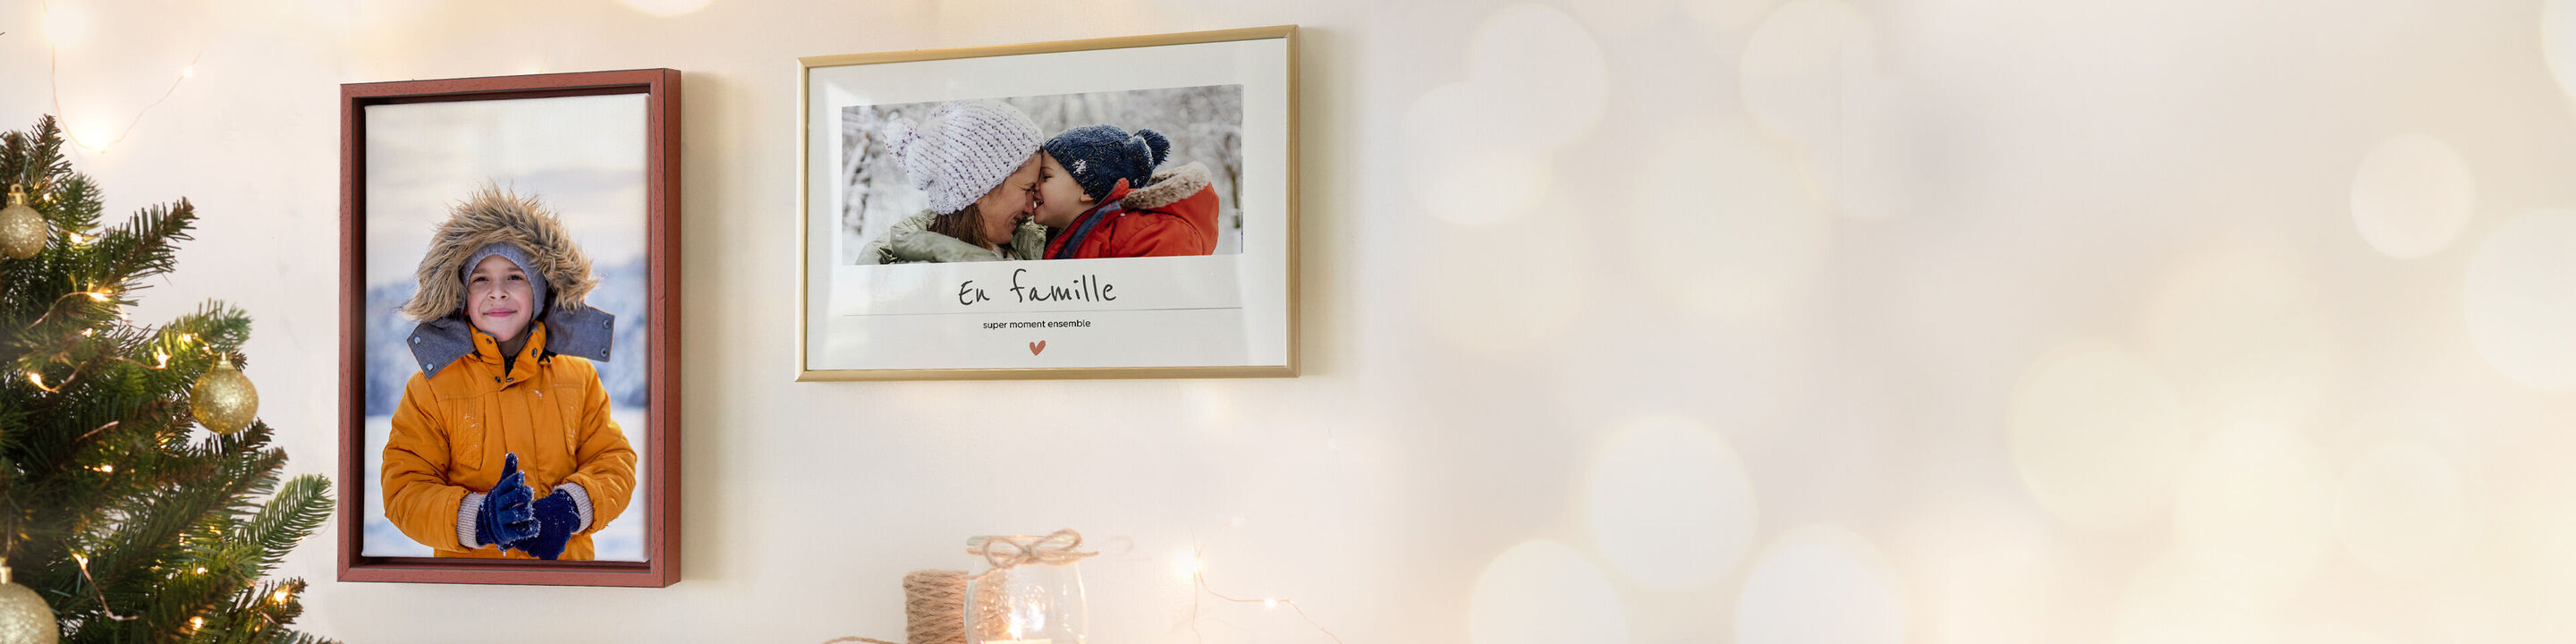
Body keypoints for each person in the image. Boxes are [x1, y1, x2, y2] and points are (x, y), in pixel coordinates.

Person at [382, 186, 637, 561]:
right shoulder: (431, 390)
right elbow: (404, 490)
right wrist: (479, 519)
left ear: (540, 290)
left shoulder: (578, 379)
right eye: (481, 279)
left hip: (566, 589)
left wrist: (570, 508)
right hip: (472, 597)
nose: (497, 292)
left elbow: (614, 462)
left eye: (515, 277)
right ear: (461, 296)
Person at [865, 99, 1050, 264]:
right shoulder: (928, 277)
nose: (1031, 208)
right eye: (1028, 189)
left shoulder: (1018, 252)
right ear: (980, 188)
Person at [1029, 125, 1221, 259]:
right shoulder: (1059, 234)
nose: (1034, 186)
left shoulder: (1151, 234)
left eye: (1045, 177)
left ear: (1087, 189)